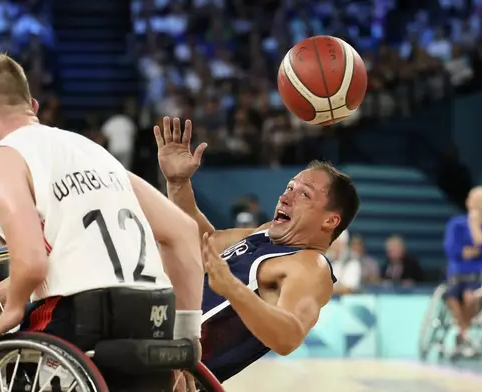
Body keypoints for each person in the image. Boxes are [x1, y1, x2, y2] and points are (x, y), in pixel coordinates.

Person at [0, 51, 204, 391]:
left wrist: (13, 309)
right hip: (152, 312)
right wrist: (187, 340)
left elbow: (31, 263)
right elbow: (184, 231)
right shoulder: (92, 150)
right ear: (33, 106)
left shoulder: (3, 159)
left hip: (81, 315)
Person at [154, 117, 360, 382]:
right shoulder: (266, 233)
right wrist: (179, 183)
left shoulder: (310, 266)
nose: (285, 197)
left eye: (304, 194)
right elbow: (205, 242)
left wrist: (232, 288)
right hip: (152, 340)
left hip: (171, 373)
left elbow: (288, 337)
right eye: (289, 188)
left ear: (330, 220)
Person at [443, 186, 482, 357]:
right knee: (451, 296)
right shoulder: (455, 225)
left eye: (481, 200)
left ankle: (462, 335)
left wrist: (475, 227)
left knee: (471, 297)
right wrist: (477, 250)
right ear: (467, 202)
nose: (477, 204)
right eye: (474, 200)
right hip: (458, 274)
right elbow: (452, 250)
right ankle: (466, 334)